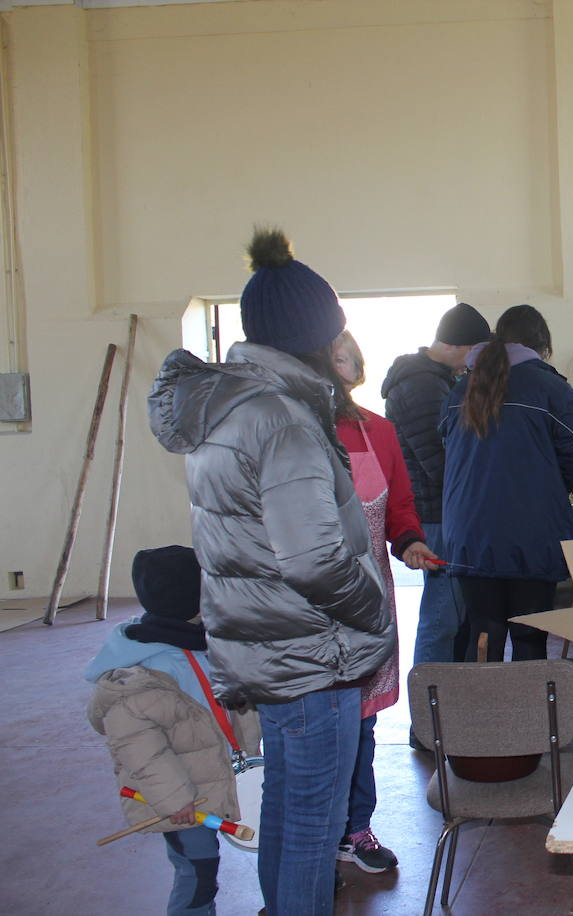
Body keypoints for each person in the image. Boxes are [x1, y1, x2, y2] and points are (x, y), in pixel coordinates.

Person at [149, 227, 391, 916]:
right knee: (313, 827)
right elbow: (314, 557)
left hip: (270, 646)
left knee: (288, 810)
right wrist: (373, 609)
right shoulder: (283, 417)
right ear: (315, 334)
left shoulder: (230, 405)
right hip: (310, 652)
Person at [87, 546, 261, 916]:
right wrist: (173, 800)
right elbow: (139, 748)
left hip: (229, 778)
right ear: (195, 598)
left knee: (258, 848)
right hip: (186, 800)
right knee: (198, 873)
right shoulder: (139, 672)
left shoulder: (209, 643)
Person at [330, 331, 440, 874]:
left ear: (356, 370)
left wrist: (410, 540)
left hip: (370, 605)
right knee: (315, 726)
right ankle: (313, 837)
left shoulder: (380, 432)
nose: (335, 367)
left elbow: (399, 503)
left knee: (363, 724)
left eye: (342, 358)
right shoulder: (290, 433)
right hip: (309, 610)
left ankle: (356, 828)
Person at [438, 304, 573, 662]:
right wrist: (548, 487)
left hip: (468, 534)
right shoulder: (552, 389)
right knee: (529, 635)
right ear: (542, 347)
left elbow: (450, 457)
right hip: (532, 533)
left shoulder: (459, 391)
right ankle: (530, 716)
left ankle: (485, 714)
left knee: (484, 633)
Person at [380, 302, 491, 674]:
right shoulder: (422, 385)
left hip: (440, 513)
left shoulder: (432, 380)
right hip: (439, 515)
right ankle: (429, 719)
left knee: (449, 616)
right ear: (462, 346)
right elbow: (440, 462)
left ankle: (439, 711)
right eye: (474, 352)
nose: (472, 363)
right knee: (442, 619)